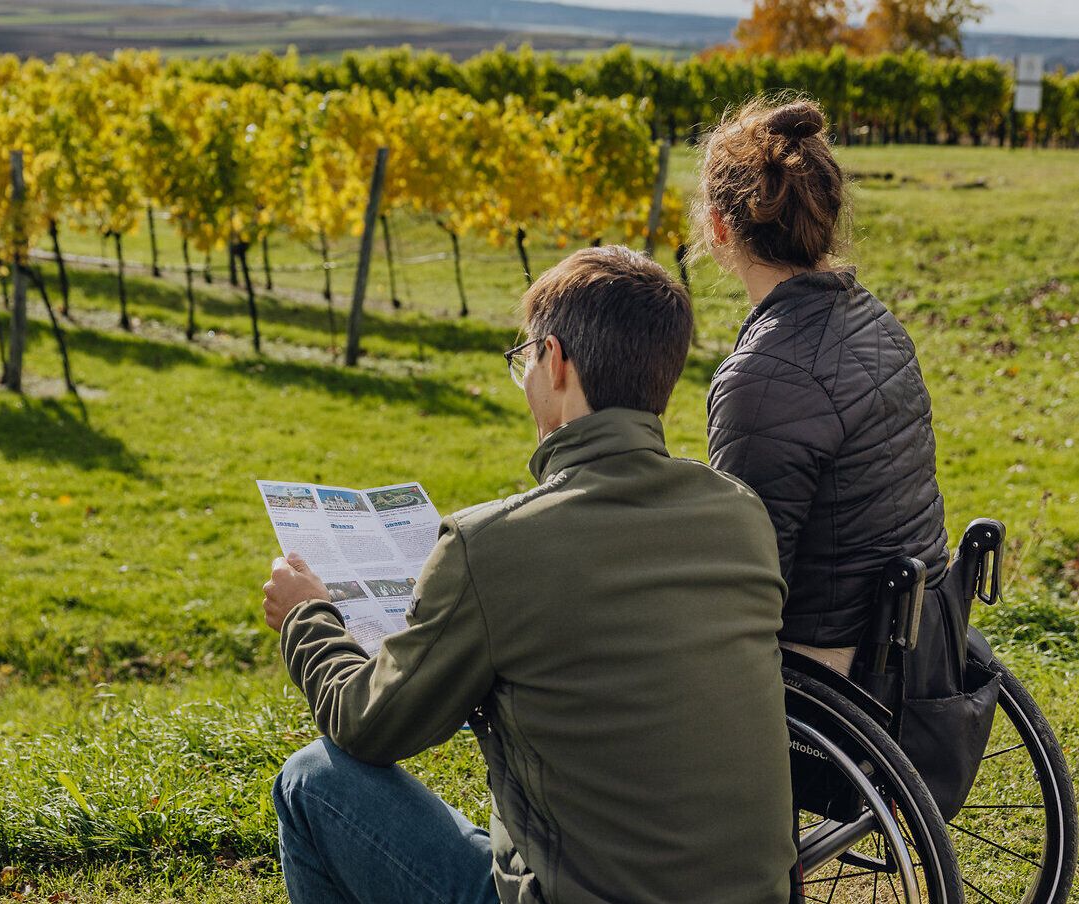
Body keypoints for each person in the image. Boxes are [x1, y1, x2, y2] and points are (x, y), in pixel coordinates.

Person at [262, 245, 797, 904]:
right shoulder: (739, 514)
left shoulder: (491, 544)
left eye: (524, 362)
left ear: (554, 360)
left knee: (312, 777)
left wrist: (306, 618)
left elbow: (368, 726)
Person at [700, 98, 949, 674]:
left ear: (717, 226)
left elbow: (751, 585)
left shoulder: (765, 375)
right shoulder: (876, 319)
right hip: (913, 638)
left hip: (830, 671)